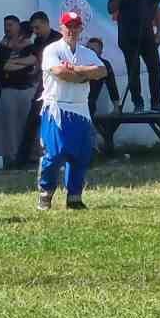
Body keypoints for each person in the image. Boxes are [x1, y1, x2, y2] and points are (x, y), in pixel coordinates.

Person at [38, 11, 108, 210]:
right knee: (55, 153)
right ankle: (46, 192)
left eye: (76, 26)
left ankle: (74, 196)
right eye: (68, 26)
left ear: (81, 28)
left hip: (80, 109)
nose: (72, 30)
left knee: (81, 154)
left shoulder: (86, 52)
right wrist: (86, 73)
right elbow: (60, 72)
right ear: (61, 27)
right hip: (57, 107)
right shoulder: (52, 50)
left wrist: (76, 70)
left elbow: (102, 71)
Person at [107, 0, 160, 112]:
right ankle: (138, 104)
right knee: (133, 70)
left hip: (147, 34)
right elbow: (110, 9)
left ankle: (156, 103)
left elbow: (156, 8)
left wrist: (159, 31)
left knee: (154, 68)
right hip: (127, 35)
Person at [0, 16, 39, 166]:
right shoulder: (1, 48)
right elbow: (5, 67)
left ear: (18, 27)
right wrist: (23, 63)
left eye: (10, 25)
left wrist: (17, 62)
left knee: (29, 125)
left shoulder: (30, 46)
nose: (7, 28)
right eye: (5, 25)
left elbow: (34, 60)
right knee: (10, 127)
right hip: (8, 90)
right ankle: (13, 158)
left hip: (27, 89)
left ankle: (31, 157)